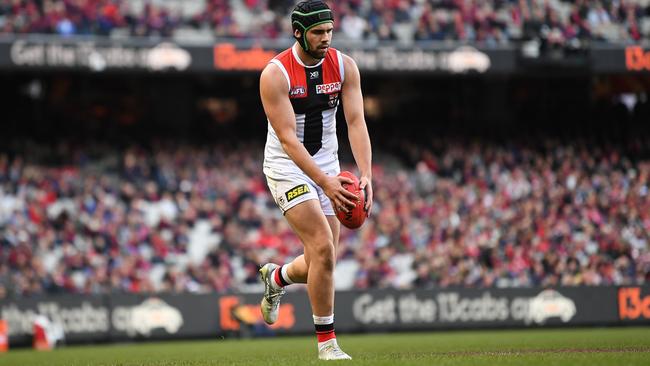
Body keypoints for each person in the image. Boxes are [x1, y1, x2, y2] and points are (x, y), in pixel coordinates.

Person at [258, 0, 373, 361]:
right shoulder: (275, 74)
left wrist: (366, 174)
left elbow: (356, 122)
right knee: (322, 246)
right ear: (298, 32)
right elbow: (288, 139)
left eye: (330, 31)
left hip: (328, 163)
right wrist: (324, 182)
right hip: (286, 166)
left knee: (323, 260)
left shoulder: (344, 66)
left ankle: (276, 279)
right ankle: (327, 344)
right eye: (318, 32)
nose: (326, 38)